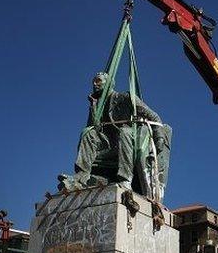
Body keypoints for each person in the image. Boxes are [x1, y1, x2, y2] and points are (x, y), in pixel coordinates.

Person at [58, 72, 172, 201]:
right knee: (88, 133)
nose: (95, 84)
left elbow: (154, 117)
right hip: (109, 144)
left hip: (128, 141)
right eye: (94, 82)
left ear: (109, 83)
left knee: (125, 131)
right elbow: (93, 126)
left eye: (98, 81)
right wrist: (94, 106)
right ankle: (81, 177)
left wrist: (159, 138)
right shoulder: (98, 105)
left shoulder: (125, 97)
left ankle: (125, 180)